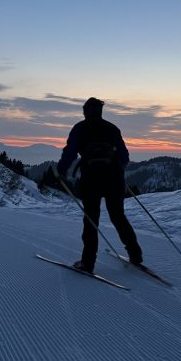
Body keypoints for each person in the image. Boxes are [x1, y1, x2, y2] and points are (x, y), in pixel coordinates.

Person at [56, 97, 143, 274]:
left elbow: (70, 152)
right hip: (114, 179)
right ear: (100, 111)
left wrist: (61, 170)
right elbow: (124, 157)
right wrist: (117, 171)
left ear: (85, 111)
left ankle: (88, 263)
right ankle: (135, 255)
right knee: (118, 217)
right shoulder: (112, 128)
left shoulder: (80, 128)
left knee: (91, 220)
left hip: (91, 179)